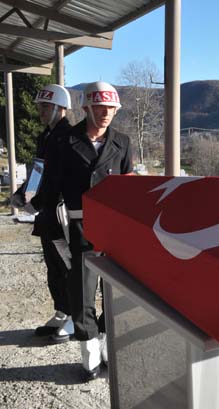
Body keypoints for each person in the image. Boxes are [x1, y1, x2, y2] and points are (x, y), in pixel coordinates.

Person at [44, 81, 133, 381]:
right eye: (100, 107)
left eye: (111, 108)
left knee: (113, 288)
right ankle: (88, 346)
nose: (106, 113)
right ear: (86, 108)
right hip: (78, 225)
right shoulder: (64, 142)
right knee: (81, 288)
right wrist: (54, 233)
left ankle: (106, 339)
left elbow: (129, 185)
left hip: (114, 228)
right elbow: (50, 190)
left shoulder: (122, 142)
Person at [12, 84, 74, 342]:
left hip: (62, 213)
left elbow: (60, 179)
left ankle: (74, 316)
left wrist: (36, 202)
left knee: (66, 265)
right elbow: (39, 172)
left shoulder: (69, 137)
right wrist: (23, 193)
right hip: (47, 213)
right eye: (40, 107)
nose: (41, 111)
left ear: (60, 108)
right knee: (53, 265)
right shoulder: (46, 136)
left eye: (46, 107)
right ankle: (62, 312)